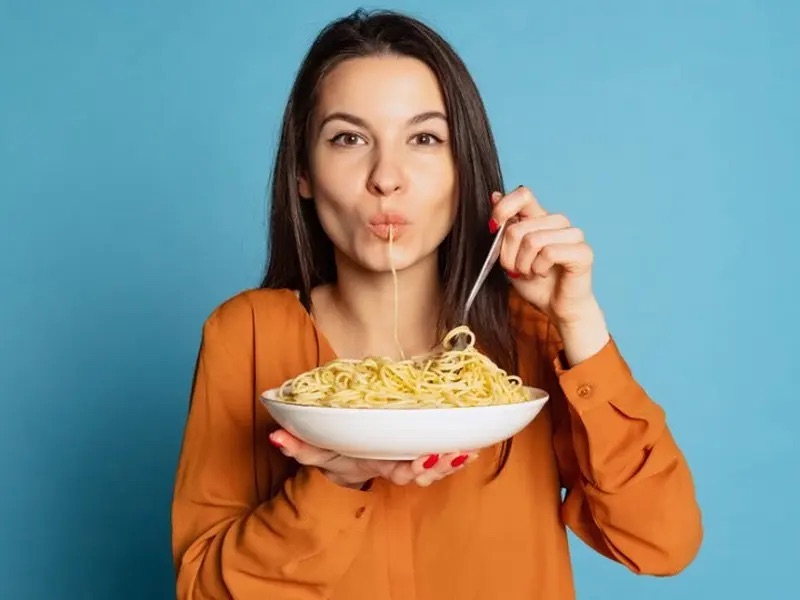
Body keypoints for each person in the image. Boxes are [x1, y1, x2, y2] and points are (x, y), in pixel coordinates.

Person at [170, 8, 703, 599]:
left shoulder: (530, 334)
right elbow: (202, 591)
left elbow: (661, 543)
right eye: (348, 139)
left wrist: (580, 324)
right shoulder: (245, 334)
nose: (386, 177)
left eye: (424, 138)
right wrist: (334, 481)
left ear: (462, 168)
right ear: (303, 171)